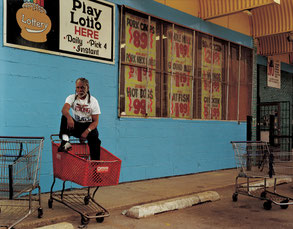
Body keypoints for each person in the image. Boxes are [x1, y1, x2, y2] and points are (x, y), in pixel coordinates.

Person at [58, 77, 101, 160]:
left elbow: (95, 122)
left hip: (88, 127)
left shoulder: (93, 101)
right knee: (64, 118)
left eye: (82, 87)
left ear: (87, 88)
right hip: (76, 125)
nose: (80, 90)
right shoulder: (72, 97)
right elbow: (64, 110)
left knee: (95, 139)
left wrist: (87, 131)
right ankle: (65, 143)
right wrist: (69, 118)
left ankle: (95, 166)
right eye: (78, 87)